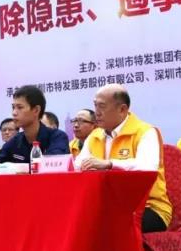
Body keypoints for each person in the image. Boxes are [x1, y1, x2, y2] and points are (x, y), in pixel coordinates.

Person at [73, 85, 172, 233]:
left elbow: (147, 167)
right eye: (95, 105)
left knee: (106, 225)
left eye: (102, 106)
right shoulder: (95, 135)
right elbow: (78, 165)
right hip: (108, 206)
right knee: (76, 220)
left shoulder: (145, 132)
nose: (97, 112)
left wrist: (109, 164)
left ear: (122, 109)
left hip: (149, 207)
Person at [0, 85, 70, 165]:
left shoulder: (57, 137)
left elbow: (51, 165)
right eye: (13, 107)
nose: (14, 113)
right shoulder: (16, 140)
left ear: (36, 110)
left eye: (20, 107)